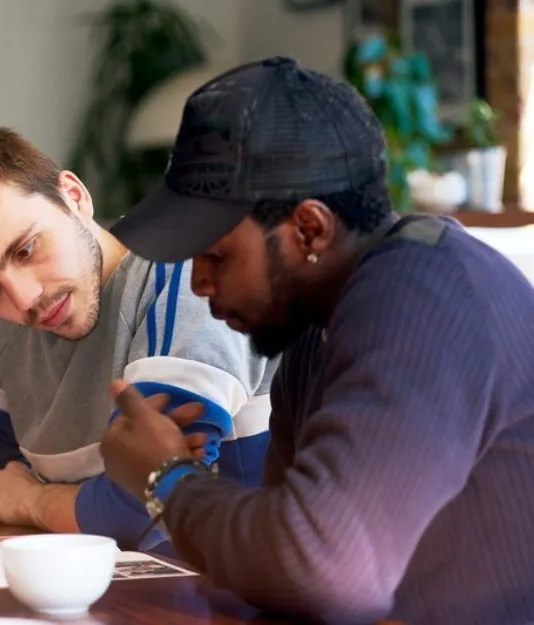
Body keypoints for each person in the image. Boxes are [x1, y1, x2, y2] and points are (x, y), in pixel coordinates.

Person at [100, 55, 534, 624]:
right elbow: (279, 567)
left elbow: (319, 569)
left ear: (309, 229)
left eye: (217, 254)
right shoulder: (316, 331)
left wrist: (166, 479)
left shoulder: (424, 294)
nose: (200, 282)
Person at [0, 126, 277, 554]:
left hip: (233, 594)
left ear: (74, 197)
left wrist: (33, 501)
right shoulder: (10, 318)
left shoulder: (186, 279)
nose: (25, 298)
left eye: (25, 250)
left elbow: (148, 508)